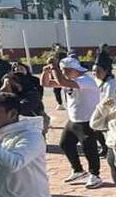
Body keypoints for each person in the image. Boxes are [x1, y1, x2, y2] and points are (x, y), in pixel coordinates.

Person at [42, 56, 103, 188]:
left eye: (64, 70)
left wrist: (54, 67)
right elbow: (46, 84)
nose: (63, 73)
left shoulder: (85, 80)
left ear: (72, 70)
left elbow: (61, 81)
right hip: (74, 120)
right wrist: (46, 72)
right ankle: (78, 170)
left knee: (89, 148)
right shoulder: (71, 80)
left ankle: (95, 175)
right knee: (65, 144)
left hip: (87, 120)